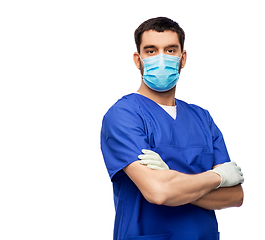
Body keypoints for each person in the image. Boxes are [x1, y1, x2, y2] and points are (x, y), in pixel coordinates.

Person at [100, 17, 244, 240]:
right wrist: (218, 177)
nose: (161, 58)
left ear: (182, 58)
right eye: (151, 51)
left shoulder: (202, 118)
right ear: (138, 60)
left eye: (170, 50)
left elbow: (234, 196)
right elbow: (159, 192)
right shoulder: (124, 115)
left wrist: (173, 184)